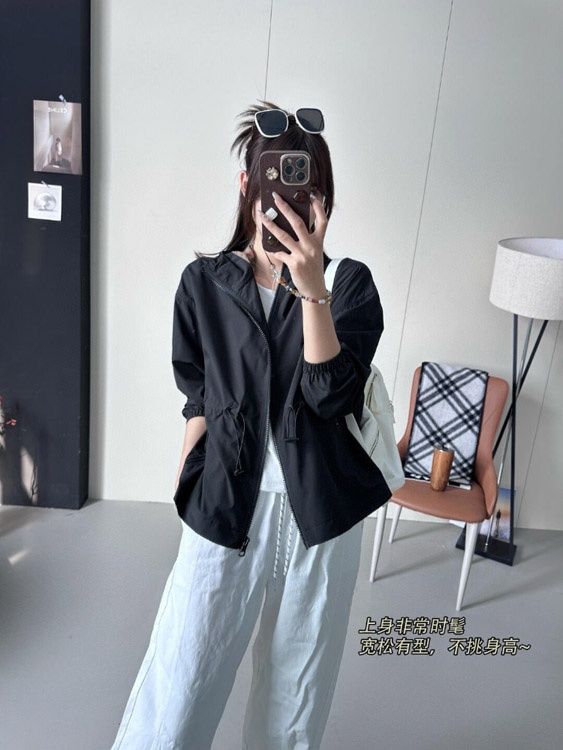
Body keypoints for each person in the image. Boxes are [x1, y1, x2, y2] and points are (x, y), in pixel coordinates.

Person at [110, 102, 390, 750]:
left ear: (323, 197)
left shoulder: (348, 285)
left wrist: (311, 287)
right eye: (276, 182)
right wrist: (188, 479)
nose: (290, 200)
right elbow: (198, 394)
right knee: (179, 685)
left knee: (294, 703)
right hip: (225, 503)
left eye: (307, 187)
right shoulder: (203, 284)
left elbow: (329, 396)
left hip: (321, 519)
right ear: (247, 185)